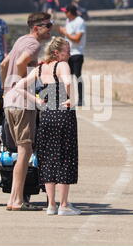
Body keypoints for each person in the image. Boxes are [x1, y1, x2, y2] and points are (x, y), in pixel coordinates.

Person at [6, 36, 80, 216]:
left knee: (48, 158)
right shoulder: (61, 65)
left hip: (46, 114)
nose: (69, 54)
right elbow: (69, 83)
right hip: (62, 114)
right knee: (65, 157)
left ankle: (51, 206)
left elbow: (19, 87)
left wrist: (37, 100)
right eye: (66, 51)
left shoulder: (40, 68)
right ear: (57, 53)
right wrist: (72, 99)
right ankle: (63, 205)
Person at [0, 12, 52, 211]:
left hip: (8, 102)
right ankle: (16, 200)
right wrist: (22, 84)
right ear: (36, 28)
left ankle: (14, 198)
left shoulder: (21, 40)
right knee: (24, 151)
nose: (51, 29)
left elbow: (4, 64)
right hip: (22, 103)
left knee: (21, 150)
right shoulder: (33, 44)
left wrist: (6, 88)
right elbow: (21, 63)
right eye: (48, 25)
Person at [59, 5, 86, 106]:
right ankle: (68, 98)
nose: (65, 14)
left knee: (77, 76)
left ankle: (80, 99)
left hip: (77, 53)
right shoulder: (68, 21)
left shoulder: (80, 21)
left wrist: (65, 32)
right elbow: (68, 37)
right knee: (66, 77)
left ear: (70, 12)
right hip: (67, 53)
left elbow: (77, 39)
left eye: (66, 12)